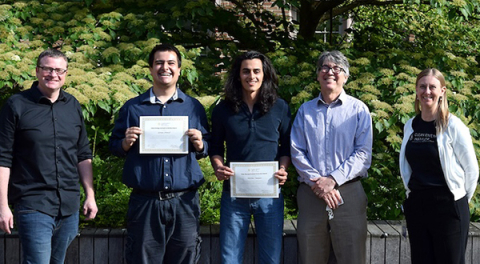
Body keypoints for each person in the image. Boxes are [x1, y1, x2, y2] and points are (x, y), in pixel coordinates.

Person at [109, 43, 209, 264]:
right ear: (151, 68)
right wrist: (125, 143)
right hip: (145, 202)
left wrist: (201, 145)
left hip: (185, 201)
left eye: (171, 63)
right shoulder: (133, 108)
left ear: (179, 69)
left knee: (185, 259)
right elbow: (113, 146)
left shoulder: (193, 107)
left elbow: (207, 147)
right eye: (159, 63)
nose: (165, 67)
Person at [0, 49, 98, 264]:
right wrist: (3, 206)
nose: (53, 74)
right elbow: (3, 158)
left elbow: (82, 154)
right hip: (33, 203)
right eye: (47, 69)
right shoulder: (16, 105)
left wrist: (90, 195)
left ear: (66, 73)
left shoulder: (72, 105)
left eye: (59, 70)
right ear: (37, 71)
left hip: (69, 205)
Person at [290, 50, 373, 264]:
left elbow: (363, 154)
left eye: (337, 69)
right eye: (325, 68)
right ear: (317, 75)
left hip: (349, 193)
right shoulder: (305, 111)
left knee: (352, 257)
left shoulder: (359, 110)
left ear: (346, 76)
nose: (330, 72)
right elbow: (296, 151)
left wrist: (333, 180)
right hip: (311, 193)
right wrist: (319, 183)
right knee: (311, 256)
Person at [209, 51, 291, 264]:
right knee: (230, 258)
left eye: (256, 71)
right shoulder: (222, 110)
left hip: (270, 195)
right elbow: (215, 146)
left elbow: (286, 147)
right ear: (238, 75)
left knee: (271, 259)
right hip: (234, 195)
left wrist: (283, 169)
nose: (251, 76)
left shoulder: (280, 107)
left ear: (265, 75)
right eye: (246, 71)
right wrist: (218, 167)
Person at [399, 68, 478, 264]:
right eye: (422, 87)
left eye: (432, 87)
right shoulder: (411, 125)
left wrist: (458, 200)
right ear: (416, 91)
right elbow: (407, 165)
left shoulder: (453, 125)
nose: (427, 91)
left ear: (442, 91)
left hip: (448, 207)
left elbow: (471, 170)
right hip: (418, 206)